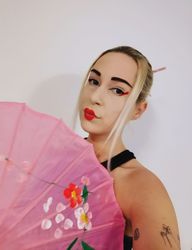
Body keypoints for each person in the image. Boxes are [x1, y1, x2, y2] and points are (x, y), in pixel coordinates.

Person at [76, 46, 180, 249]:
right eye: (94, 81)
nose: (95, 96)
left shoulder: (142, 187)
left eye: (117, 90)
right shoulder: (57, 161)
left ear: (138, 110)